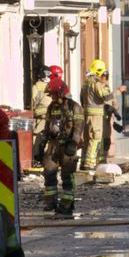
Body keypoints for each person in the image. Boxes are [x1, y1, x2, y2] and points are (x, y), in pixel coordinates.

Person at [42, 75, 84, 218]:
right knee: (48, 172)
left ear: (60, 92)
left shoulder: (74, 107)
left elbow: (78, 127)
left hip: (67, 146)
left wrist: (73, 143)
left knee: (67, 176)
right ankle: (50, 202)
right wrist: (41, 143)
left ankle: (66, 205)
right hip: (53, 146)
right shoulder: (51, 107)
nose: (52, 97)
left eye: (53, 94)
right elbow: (47, 126)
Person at [80, 59, 128, 171]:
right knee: (95, 139)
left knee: (88, 139)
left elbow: (82, 100)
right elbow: (105, 97)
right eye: (103, 73)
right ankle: (90, 164)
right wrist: (118, 91)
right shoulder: (96, 84)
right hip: (96, 116)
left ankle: (84, 161)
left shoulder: (86, 84)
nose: (104, 77)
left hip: (87, 116)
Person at [31, 65, 63, 165]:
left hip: (41, 117)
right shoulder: (52, 84)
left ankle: (37, 158)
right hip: (52, 115)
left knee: (38, 137)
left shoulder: (35, 86)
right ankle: (50, 157)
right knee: (53, 136)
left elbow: (33, 101)